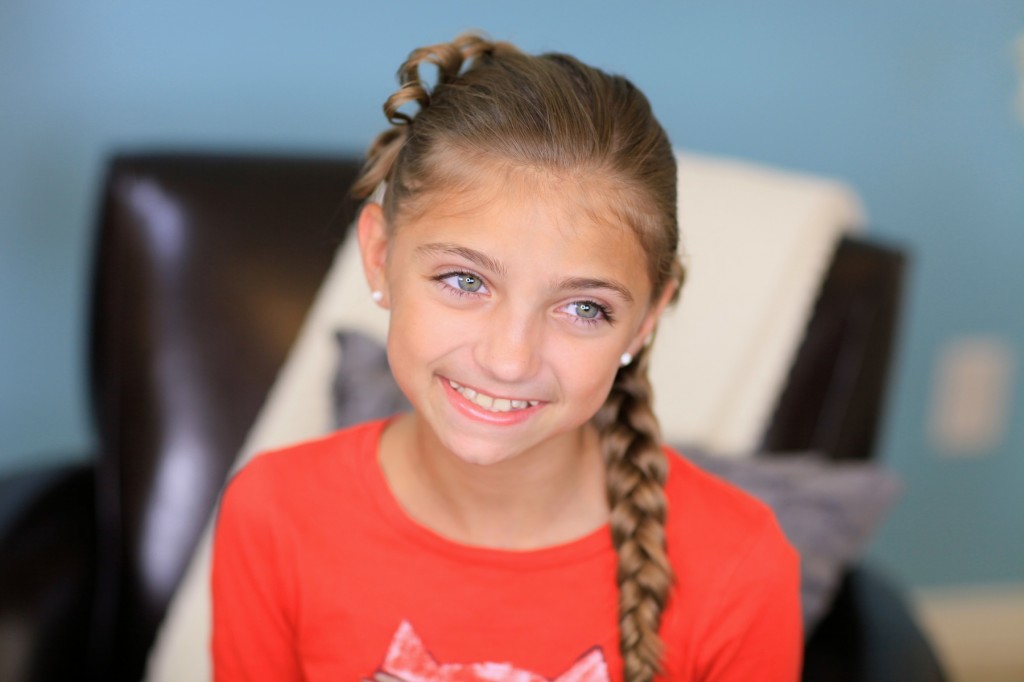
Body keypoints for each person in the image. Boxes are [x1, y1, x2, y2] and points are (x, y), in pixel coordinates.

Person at [212, 33, 801, 682]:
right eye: (465, 281)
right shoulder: (272, 513)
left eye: (583, 308)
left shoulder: (741, 560)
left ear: (646, 319)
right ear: (380, 256)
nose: (509, 360)